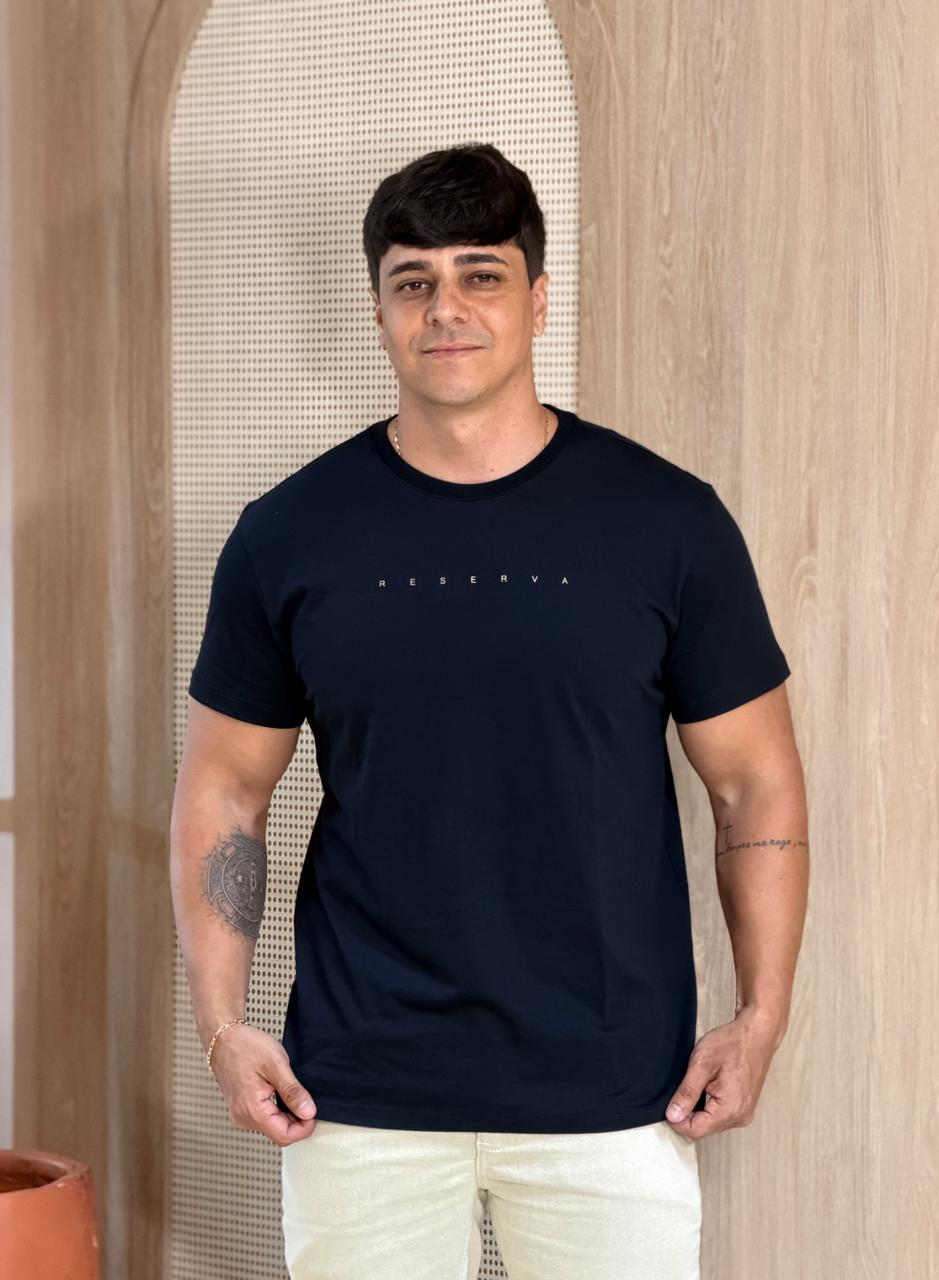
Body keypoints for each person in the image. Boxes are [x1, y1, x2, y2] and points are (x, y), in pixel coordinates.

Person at [170, 143, 809, 1280]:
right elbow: (225, 790)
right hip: (360, 1092)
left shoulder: (669, 523)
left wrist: (761, 1017)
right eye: (413, 280)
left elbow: (753, 783)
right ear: (377, 312)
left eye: (481, 274)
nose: (446, 308)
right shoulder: (288, 535)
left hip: (615, 1092)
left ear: (538, 298)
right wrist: (222, 1027)